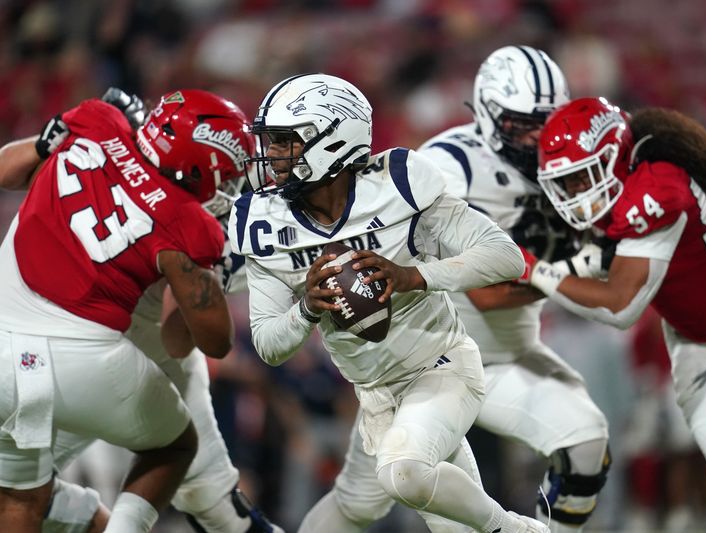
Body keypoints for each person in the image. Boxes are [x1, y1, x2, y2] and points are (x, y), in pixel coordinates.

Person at [301, 46, 612, 533]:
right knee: (373, 499)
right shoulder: (450, 164)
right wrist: (576, 271)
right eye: (518, 124)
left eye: (544, 123)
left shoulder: (570, 155)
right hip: (431, 357)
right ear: (488, 114)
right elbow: (487, 287)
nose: (534, 137)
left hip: (511, 353)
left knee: (587, 444)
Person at [230, 72, 549, 533]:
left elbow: (505, 256)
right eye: (271, 142)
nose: (272, 156)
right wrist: (307, 309)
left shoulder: (398, 183)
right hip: (376, 397)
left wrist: (413, 276)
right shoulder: (264, 221)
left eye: (284, 142)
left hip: (439, 367)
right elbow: (269, 344)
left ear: (333, 140)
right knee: (377, 504)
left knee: (404, 472)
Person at [529, 96, 706, 533]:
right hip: (699, 339)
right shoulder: (619, 194)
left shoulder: (658, 186)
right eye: (568, 183)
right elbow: (599, 264)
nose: (577, 194)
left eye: (582, 177)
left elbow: (620, 304)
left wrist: (533, 269)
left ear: (615, 156)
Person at [0, 88, 251, 532]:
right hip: (81, 362)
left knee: (20, 498)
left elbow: (6, 171)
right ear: (197, 165)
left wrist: (45, 142)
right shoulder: (187, 220)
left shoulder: (96, 121)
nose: (228, 187)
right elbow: (215, 342)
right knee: (175, 446)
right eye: (226, 175)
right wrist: (216, 273)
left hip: (2, 348)